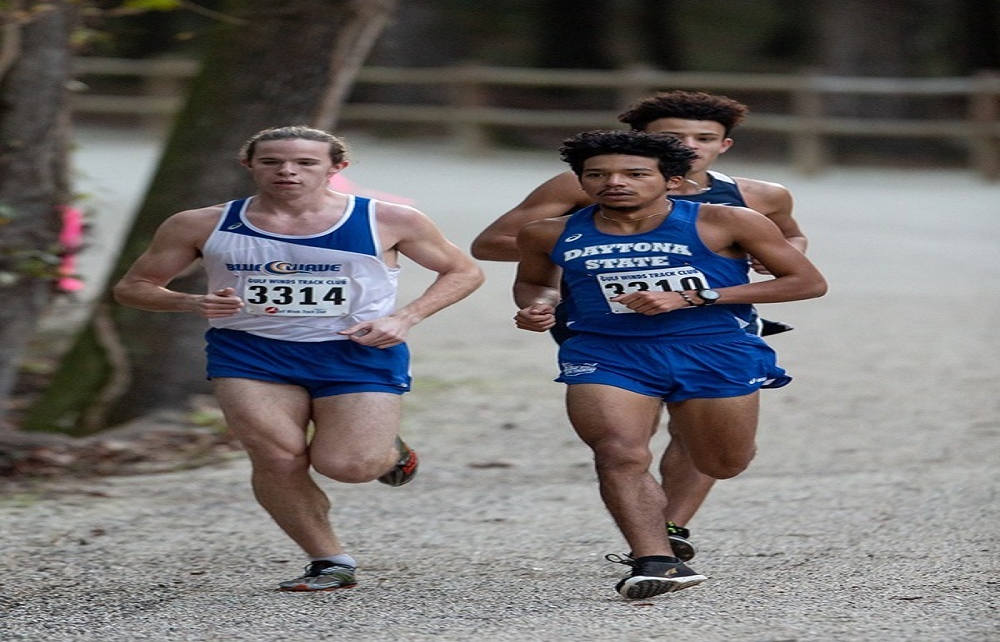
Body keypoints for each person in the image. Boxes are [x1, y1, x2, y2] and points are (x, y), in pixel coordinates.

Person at [113, 125, 484, 592]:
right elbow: (132, 288)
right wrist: (192, 302)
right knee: (276, 457)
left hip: (357, 351)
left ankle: (390, 454)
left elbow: (464, 271)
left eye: (305, 162)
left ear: (336, 168)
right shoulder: (200, 223)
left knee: (349, 465)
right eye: (271, 161)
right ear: (249, 165)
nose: (287, 170)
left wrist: (405, 318)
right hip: (250, 354)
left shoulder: (389, 219)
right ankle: (329, 560)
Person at [472, 90, 808, 560]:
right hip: (599, 331)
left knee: (713, 448)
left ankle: (670, 520)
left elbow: (791, 244)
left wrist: (746, 257)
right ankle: (653, 550)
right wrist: (591, 250)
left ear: (723, 145)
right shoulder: (580, 190)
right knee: (622, 446)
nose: (690, 146)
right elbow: (495, 245)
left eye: (703, 138)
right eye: (673, 137)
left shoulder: (750, 202)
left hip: (711, 334)